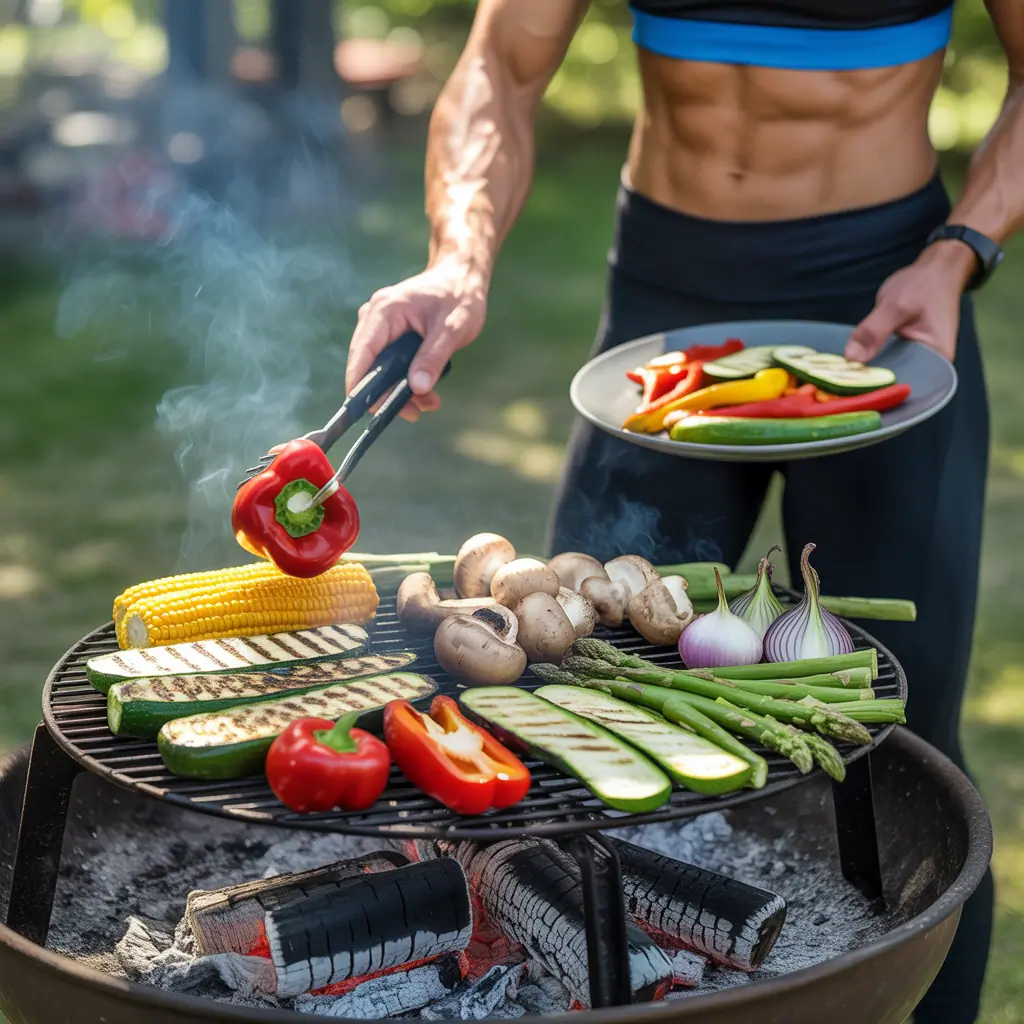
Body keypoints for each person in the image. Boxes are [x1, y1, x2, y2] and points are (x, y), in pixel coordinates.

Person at [345, 2, 1022, 1019]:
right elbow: (500, 65)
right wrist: (459, 255)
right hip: (668, 294)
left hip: (885, 295)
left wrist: (959, 248)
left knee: (898, 747)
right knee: (566, 695)